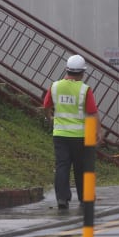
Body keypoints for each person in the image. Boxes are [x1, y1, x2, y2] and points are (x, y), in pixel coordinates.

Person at [42, 54, 99, 209]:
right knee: (80, 167)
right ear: (82, 73)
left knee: (62, 166)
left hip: (60, 135)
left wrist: (50, 119)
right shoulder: (84, 90)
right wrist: (95, 133)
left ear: (67, 70)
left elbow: (46, 106)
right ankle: (84, 197)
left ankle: (62, 198)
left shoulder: (55, 86)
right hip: (79, 136)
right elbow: (93, 113)